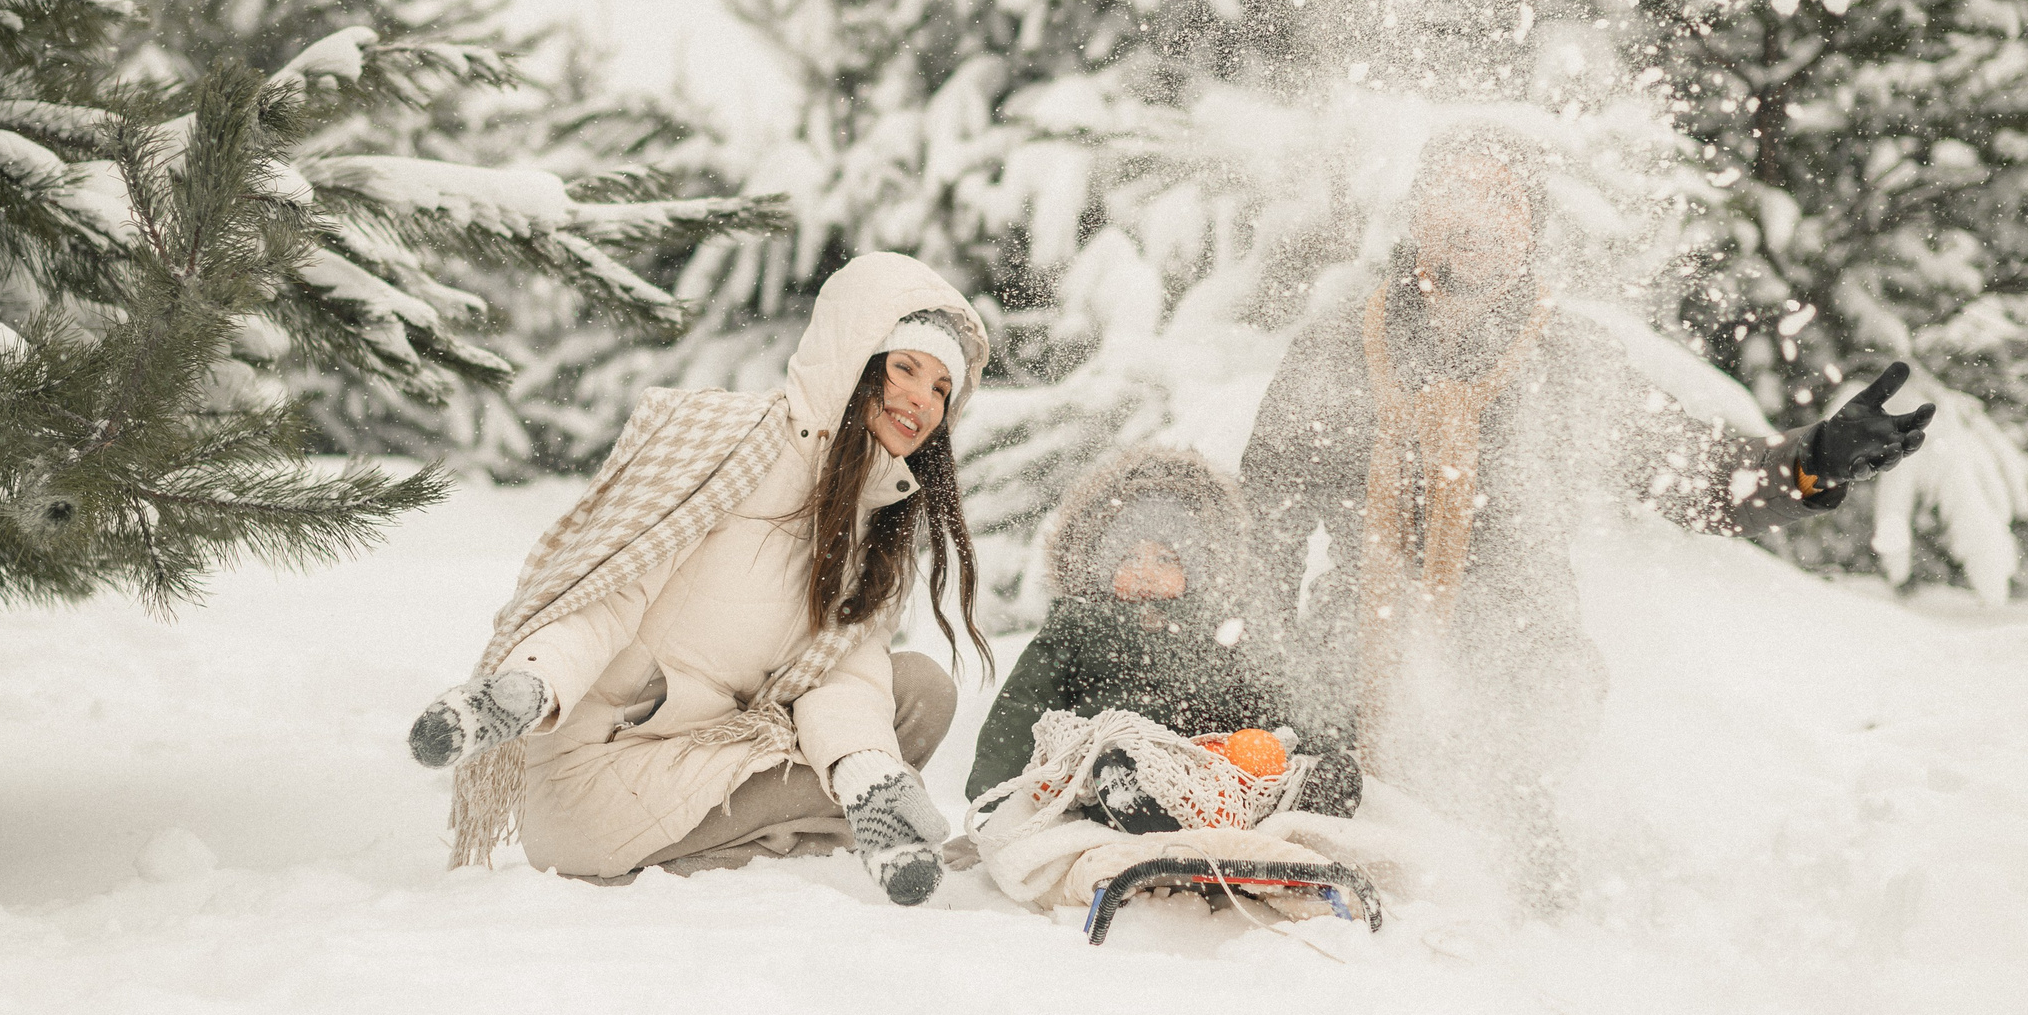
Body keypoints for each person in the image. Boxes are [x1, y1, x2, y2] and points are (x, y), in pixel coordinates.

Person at [1241, 124, 1931, 904]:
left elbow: (1699, 474)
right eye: (1455, 193)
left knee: (1501, 896)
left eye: (1501, 198)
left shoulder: (1568, 362)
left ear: (1528, 230)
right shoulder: (1337, 349)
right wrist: (1272, 689)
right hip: (1355, 678)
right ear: (1417, 216)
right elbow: (1265, 533)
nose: (1475, 216)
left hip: (1521, 681)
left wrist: (1815, 460)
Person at [406, 251, 993, 907]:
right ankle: (809, 835)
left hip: (716, 747)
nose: (921, 398)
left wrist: (867, 777)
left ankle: (810, 828)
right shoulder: (733, 444)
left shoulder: (876, 517)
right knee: (863, 779)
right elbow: (609, 591)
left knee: (916, 693)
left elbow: (842, 679)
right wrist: (528, 689)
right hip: (600, 772)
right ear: (852, 359)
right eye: (905, 367)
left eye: (943, 387)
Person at [965, 446, 1361, 827]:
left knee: (1258, 758)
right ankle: (1133, 806)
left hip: (1205, 772)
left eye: (1165, 559)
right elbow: (1025, 703)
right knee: (1111, 768)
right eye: (1129, 558)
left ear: (1199, 568)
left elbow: (1269, 695)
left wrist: (1321, 746)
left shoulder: (1218, 631)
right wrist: (996, 791)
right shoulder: (1079, 626)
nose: (1144, 572)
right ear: (1100, 566)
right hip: (1107, 767)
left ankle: (1299, 800)